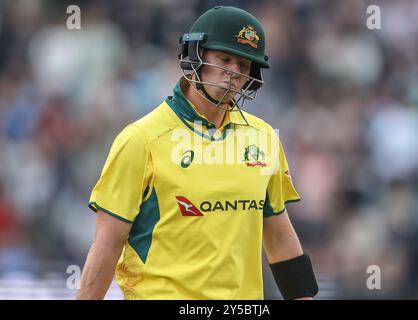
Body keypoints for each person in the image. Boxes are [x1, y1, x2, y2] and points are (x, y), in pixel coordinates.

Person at [77, 6, 318, 300]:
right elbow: (107, 244)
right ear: (195, 56)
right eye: (224, 59)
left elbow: (279, 238)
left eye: (243, 66)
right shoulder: (141, 140)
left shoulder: (263, 137)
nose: (232, 74)